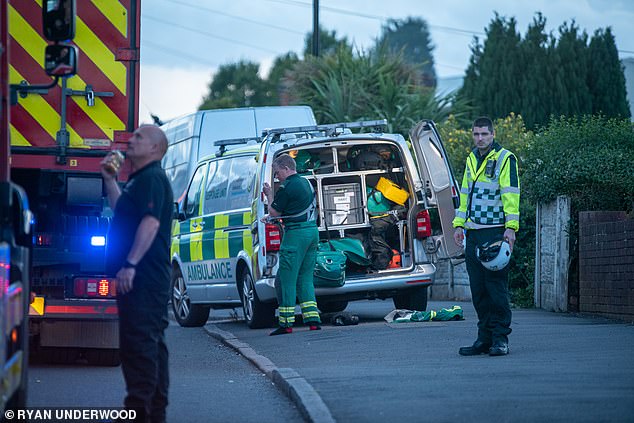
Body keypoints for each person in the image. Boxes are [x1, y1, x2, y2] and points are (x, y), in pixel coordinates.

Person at [101, 125, 174, 422]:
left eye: (139, 137)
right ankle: (151, 412)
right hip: (141, 278)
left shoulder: (153, 178)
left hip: (145, 278)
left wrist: (130, 264)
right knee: (148, 344)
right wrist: (109, 180)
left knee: (140, 347)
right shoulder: (139, 180)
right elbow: (123, 211)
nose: (130, 140)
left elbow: (151, 223)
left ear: (155, 148)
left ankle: (140, 412)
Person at [453, 117, 520, 357]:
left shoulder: (505, 158)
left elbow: (510, 193)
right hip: (473, 232)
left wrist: (511, 228)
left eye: (484, 134)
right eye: (476, 134)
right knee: (478, 290)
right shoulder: (472, 158)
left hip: (495, 231)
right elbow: (464, 195)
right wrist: (459, 224)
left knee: (496, 288)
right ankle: (484, 338)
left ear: (493, 134)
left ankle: (500, 339)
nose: (479, 138)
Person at [262, 153, 321, 336]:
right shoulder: (306, 182)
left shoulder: (287, 187)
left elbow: (273, 211)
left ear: (286, 168)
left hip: (295, 235)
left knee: (286, 279)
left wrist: (269, 194)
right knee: (305, 278)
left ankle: (286, 324)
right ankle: (313, 320)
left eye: (277, 172)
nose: (276, 176)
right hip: (312, 233)